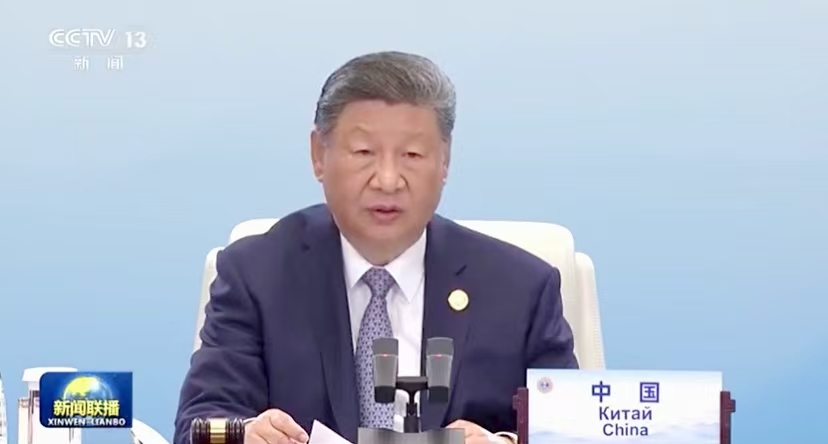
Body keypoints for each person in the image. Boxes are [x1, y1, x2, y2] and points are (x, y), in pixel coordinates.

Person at [174, 51, 578, 444]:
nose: (387, 180)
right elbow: (200, 426)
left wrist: (503, 442)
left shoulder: (520, 288)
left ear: (445, 162)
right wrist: (245, 434)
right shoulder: (257, 275)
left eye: (412, 155)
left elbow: (577, 431)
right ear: (319, 155)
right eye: (364, 152)